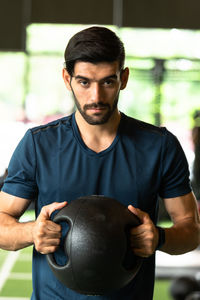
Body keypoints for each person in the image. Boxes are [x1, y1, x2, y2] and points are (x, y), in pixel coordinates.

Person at [0, 26, 199, 300]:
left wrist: (160, 238)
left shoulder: (160, 147)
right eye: (84, 82)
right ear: (66, 78)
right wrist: (31, 231)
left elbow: (191, 229)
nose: (95, 97)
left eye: (107, 82)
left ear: (124, 78)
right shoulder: (38, 145)